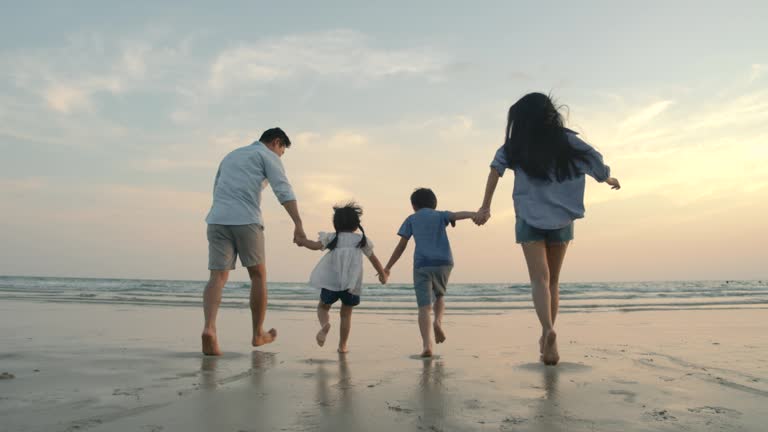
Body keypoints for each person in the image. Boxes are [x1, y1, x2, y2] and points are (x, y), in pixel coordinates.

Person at [473, 93, 621, 365]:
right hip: (563, 219)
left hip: (529, 218)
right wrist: (606, 177)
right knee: (553, 280)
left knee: (539, 279)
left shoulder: (514, 146)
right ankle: (550, 336)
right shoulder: (567, 140)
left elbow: (495, 170)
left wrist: (485, 207)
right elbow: (595, 160)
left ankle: (547, 331)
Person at [202, 127, 307, 356]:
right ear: (276, 142)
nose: (279, 157)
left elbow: (217, 187)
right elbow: (283, 189)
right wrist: (298, 224)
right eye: (281, 152)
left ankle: (209, 328)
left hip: (217, 219)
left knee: (217, 277)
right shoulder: (267, 155)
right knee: (258, 275)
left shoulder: (231, 155)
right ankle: (258, 333)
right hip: (246, 219)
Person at [383, 188, 477, 357]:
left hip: (422, 264)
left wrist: (388, 266)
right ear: (434, 203)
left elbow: (401, 246)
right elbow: (456, 215)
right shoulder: (441, 215)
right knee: (440, 296)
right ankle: (438, 322)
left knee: (424, 307)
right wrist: (473, 214)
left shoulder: (411, 219)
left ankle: (428, 345)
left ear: (413, 205)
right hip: (444, 262)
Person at [297, 203, 387, 353]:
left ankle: (325, 325)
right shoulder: (360, 240)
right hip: (351, 285)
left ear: (336, 224)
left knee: (322, 307)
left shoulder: (332, 237)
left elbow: (314, 245)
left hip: (331, 282)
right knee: (346, 315)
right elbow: (374, 259)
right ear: (356, 225)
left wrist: (302, 241)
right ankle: (342, 346)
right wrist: (382, 274)